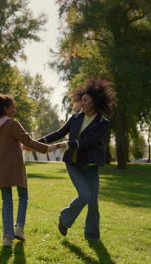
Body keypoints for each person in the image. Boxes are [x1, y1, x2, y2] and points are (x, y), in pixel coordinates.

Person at [38, 78, 114, 241]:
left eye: (86, 100)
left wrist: (63, 145)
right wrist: (36, 143)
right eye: (82, 100)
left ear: (95, 101)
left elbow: (88, 142)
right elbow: (58, 133)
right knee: (85, 196)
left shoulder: (103, 123)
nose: (82, 103)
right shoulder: (75, 118)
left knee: (93, 203)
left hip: (91, 166)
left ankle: (92, 237)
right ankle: (65, 218)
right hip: (74, 165)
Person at [0, 94, 58, 248]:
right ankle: (19, 228)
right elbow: (29, 141)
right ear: (6, 108)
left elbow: (9, 144)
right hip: (15, 167)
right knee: (23, 195)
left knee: (6, 200)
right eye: (13, 106)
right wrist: (49, 148)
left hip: (0, 168)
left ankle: (7, 237)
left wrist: (20, 146)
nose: (15, 109)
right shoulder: (12, 124)